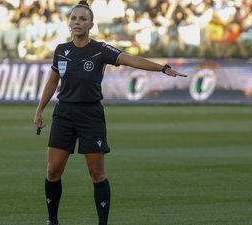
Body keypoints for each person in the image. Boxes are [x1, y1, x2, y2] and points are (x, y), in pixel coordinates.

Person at [33, 1, 187, 225]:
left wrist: (162, 68)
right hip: (63, 114)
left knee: (97, 174)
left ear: (91, 24)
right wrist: (39, 110)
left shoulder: (100, 49)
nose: (77, 22)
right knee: (53, 171)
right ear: (69, 22)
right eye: (74, 18)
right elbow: (52, 81)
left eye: (83, 19)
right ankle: (52, 221)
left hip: (90, 115)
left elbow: (132, 59)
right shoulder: (61, 50)